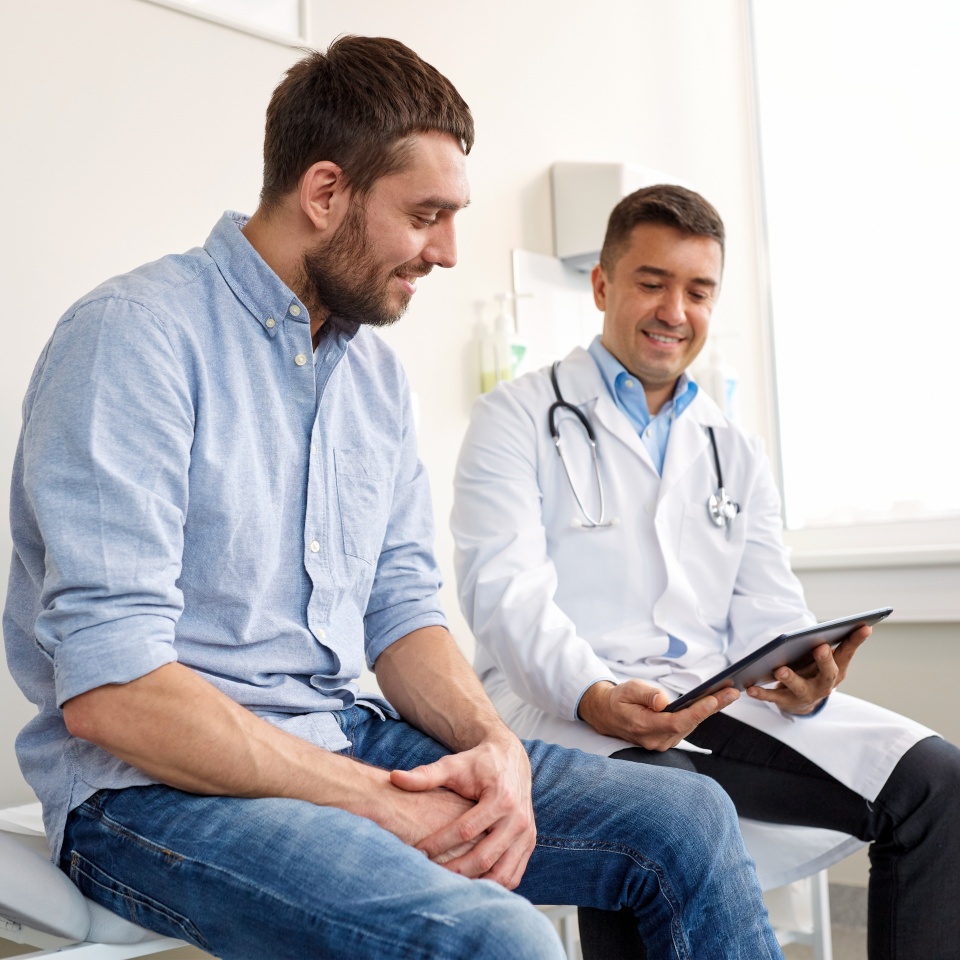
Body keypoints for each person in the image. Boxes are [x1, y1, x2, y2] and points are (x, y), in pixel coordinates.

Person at [2, 38, 786, 960]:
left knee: (688, 817)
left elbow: (402, 612)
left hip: (344, 734)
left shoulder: (370, 376)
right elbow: (114, 695)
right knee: (501, 938)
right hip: (150, 791)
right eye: (426, 216)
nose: (449, 252)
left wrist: (491, 743)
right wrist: (374, 804)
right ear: (326, 192)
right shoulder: (135, 339)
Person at [451, 183, 960, 960]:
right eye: (652, 282)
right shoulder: (515, 419)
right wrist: (594, 695)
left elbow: (765, 608)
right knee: (657, 813)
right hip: (559, 706)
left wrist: (804, 675)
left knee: (936, 782)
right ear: (603, 285)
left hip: (709, 700)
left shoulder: (733, 447)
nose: (674, 311)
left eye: (698, 290)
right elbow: (506, 597)